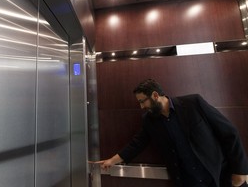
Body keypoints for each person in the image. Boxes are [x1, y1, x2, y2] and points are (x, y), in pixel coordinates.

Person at [96, 79, 248, 187]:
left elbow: (229, 132)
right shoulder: (150, 120)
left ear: (155, 95)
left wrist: (240, 170)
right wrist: (111, 161)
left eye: (143, 101)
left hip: (220, 175)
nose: (141, 106)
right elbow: (137, 144)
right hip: (189, 182)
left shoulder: (193, 103)